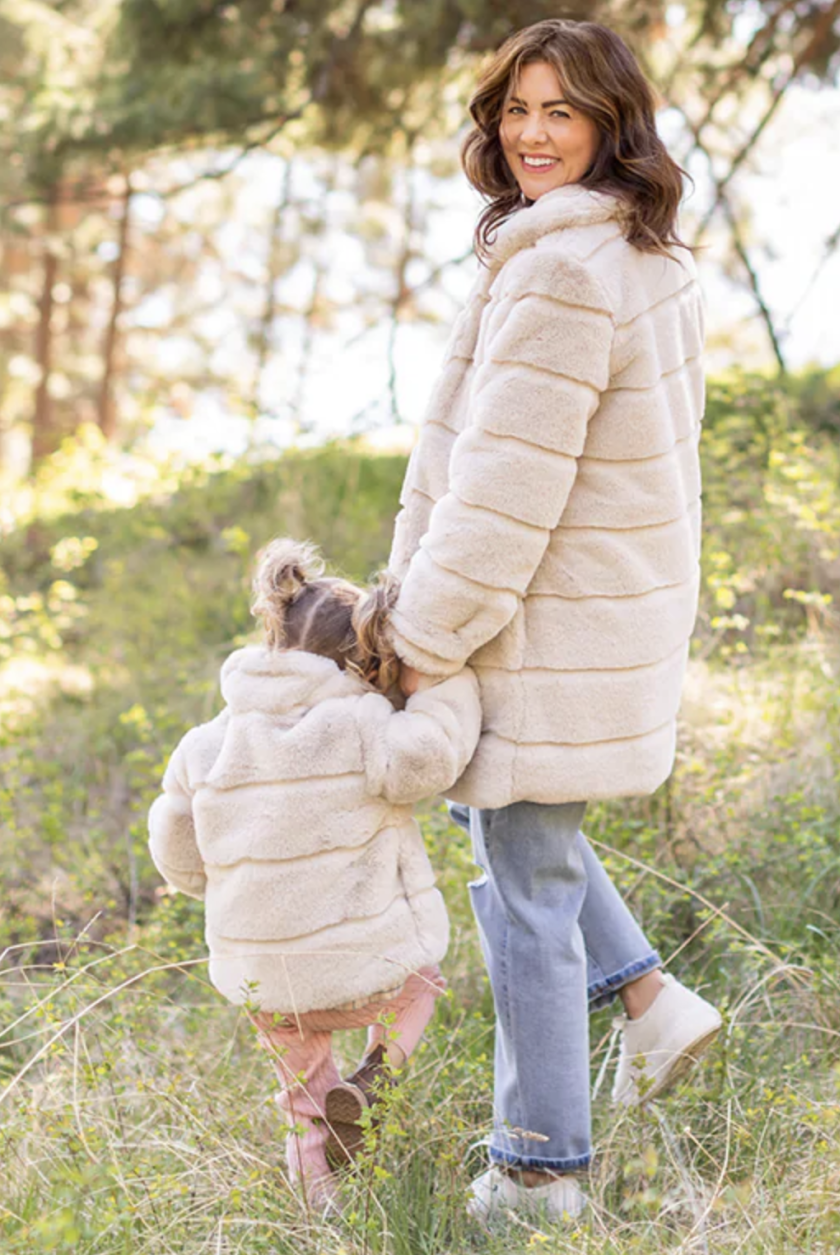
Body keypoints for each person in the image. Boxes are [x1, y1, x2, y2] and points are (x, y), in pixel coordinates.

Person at [385, 19, 722, 1222]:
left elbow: (503, 491)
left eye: (562, 112)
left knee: (518, 886)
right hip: (593, 613)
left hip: (539, 619)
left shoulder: (564, 271)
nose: (532, 134)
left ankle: (540, 1170)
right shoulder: (645, 254)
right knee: (520, 838)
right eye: (518, 108)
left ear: (610, 125)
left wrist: (423, 636)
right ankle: (649, 1000)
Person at [146, 539, 481, 1209]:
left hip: (266, 976)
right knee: (422, 982)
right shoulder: (362, 723)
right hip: (369, 968)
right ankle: (374, 1079)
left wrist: (232, 886)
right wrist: (447, 687)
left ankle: (317, 1213)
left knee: (300, 1099)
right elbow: (429, 760)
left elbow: (176, 848)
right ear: (361, 659)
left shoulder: (204, 745)